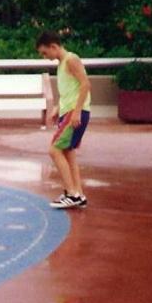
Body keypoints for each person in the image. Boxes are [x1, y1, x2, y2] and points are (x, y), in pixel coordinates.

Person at [36, 31, 91, 209]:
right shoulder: (62, 64)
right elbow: (70, 90)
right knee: (68, 152)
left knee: (54, 150)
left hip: (74, 113)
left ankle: (71, 193)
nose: (45, 57)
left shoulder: (71, 60)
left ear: (53, 46)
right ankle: (78, 193)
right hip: (68, 111)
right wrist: (58, 108)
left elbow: (85, 84)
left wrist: (76, 112)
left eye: (45, 52)